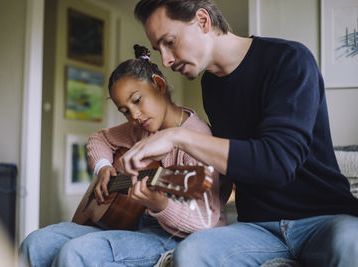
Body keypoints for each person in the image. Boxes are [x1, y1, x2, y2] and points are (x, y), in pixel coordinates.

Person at [117, 0, 358, 266]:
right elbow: (230, 164)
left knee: (353, 242)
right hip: (258, 227)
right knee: (192, 252)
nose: (166, 60)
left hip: (324, 219)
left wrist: (178, 137)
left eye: (170, 42)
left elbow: (277, 163)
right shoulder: (211, 84)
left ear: (203, 20)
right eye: (158, 49)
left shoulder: (289, 59)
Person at [19, 44, 230, 267]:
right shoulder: (140, 129)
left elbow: (205, 219)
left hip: (173, 236)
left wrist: (161, 204)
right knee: (35, 242)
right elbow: (99, 139)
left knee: (78, 253)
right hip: (130, 222)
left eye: (137, 100)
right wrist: (102, 169)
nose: (135, 115)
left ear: (159, 86)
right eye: (125, 111)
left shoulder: (197, 138)